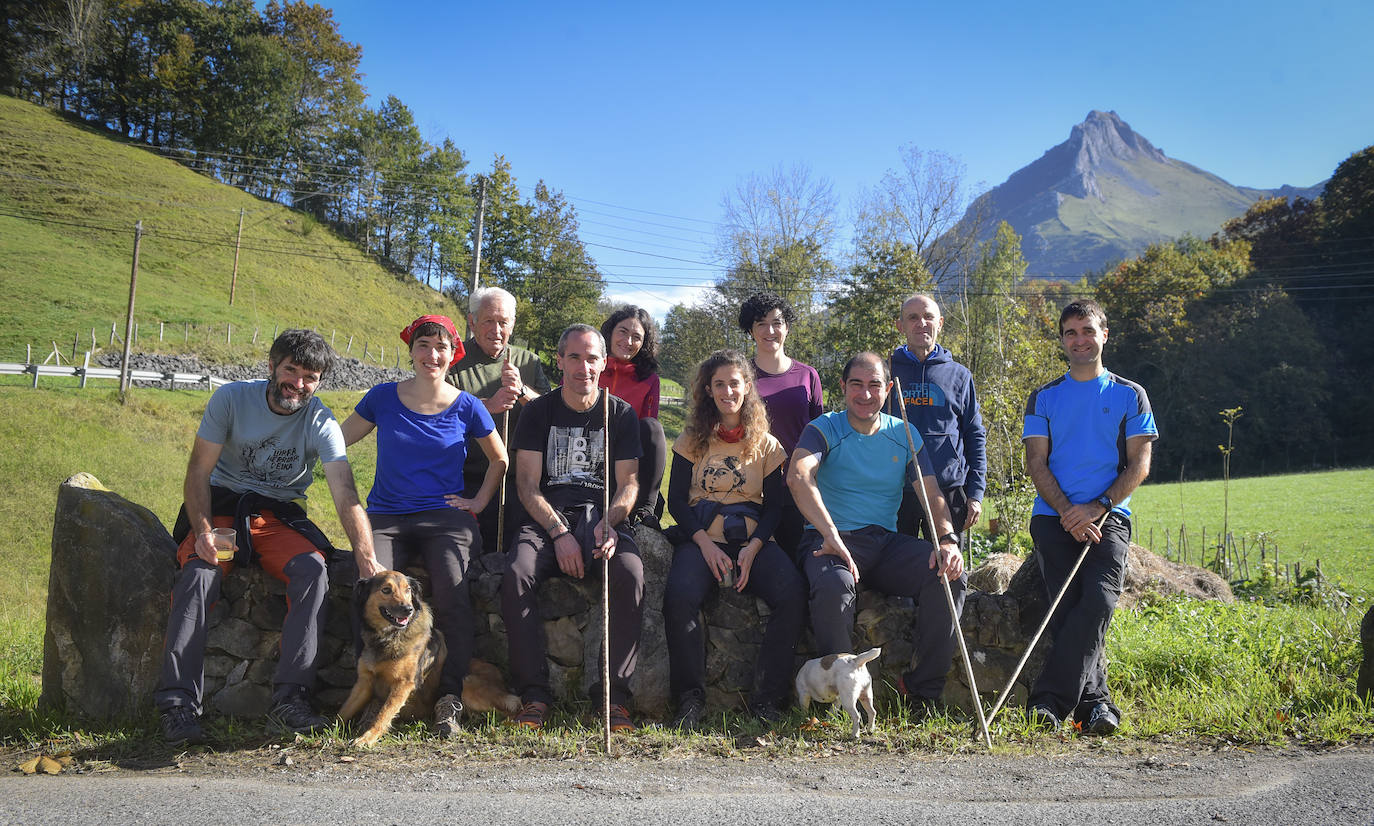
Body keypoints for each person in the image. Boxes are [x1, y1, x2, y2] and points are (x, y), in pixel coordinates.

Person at [154, 330, 383, 745]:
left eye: (310, 376)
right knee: (201, 575)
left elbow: (345, 493)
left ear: (319, 382)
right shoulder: (231, 399)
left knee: (313, 571)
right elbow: (197, 473)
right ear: (272, 366)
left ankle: (291, 698)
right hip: (223, 515)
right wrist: (203, 532)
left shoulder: (322, 421)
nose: (298, 383)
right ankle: (178, 705)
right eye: (290, 370)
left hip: (276, 519)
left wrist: (367, 558)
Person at [339, 315, 508, 738]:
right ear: (411, 351)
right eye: (424, 346)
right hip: (387, 514)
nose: (432, 355)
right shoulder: (381, 398)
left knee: (452, 588)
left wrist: (478, 501)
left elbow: (499, 460)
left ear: (454, 355)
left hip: (446, 517)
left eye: (441, 348)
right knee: (366, 581)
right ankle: (368, 685)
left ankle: (448, 697)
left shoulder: (467, 405)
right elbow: (336, 442)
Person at [787, 352, 966, 712]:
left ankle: (920, 692)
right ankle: (834, 702)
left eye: (874, 386)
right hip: (828, 540)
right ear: (843, 386)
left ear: (888, 389)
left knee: (949, 576)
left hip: (884, 544)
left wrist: (947, 540)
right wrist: (830, 533)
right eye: (857, 384)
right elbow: (798, 475)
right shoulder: (825, 428)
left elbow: (931, 493)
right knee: (834, 588)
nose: (865, 394)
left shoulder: (904, 433)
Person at [500, 324, 645, 731]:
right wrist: (560, 533)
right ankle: (533, 696)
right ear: (560, 361)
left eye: (592, 358)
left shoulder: (619, 413)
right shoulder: (538, 412)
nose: (584, 367)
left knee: (631, 573)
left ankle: (613, 699)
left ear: (604, 363)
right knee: (516, 574)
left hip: (601, 515)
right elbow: (526, 485)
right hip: (548, 515)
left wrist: (612, 523)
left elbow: (629, 483)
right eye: (575, 358)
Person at [1022, 299, 1156, 735]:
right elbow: (1036, 463)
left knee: (1098, 601)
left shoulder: (1129, 393)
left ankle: (1047, 701)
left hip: (1108, 517)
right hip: (1053, 517)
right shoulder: (1043, 396)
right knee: (1065, 609)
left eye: (1087, 331)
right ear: (1062, 340)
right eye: (1070, 333)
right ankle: (1095, 706)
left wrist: (1096, 508)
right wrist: (1067, 512)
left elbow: (1139, 465)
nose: (1079, 340)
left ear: (1104, 334)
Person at [662, 350, 806, 729]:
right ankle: (689, 701)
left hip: (753, 539)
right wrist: (705, 546)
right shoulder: (692, 438)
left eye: (734, 383)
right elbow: (677, 500)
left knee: (791, 593)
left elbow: (775, 507)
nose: (728, 391)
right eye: (719, 384)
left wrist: (753, 548)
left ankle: (768, 701)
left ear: (747, 388)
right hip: (701, 537)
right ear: (708, 390)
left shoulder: (768, 444)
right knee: (680, 596)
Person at [446, 286, 551, 556]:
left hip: (519, 481)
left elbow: (551, 416)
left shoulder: (529, 361)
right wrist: (487, 406)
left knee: (519, 553)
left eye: (503, 322)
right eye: (488, 321)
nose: (496, 329)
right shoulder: (453, 360)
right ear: (472, 322)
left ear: (512, 324)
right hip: (467, 478)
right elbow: (440, 413)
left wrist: (524, 392)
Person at [887, 294, 987, 543]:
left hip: (948, 489)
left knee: (948, 571)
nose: (921, 323)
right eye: (913, 318)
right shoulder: (885, 372)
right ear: (901, 326)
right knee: (895, 573)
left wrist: (974, 493)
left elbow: (974, 434)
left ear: (940, 323)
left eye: (928, 317)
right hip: (897, 492)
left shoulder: (959, 375)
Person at [738, 292, 823, 561]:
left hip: (797, 488)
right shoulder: (739, 377)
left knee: (799, 563)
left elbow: (818, 434)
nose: (770, 330)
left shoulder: (808, 376)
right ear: (750, 330)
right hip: (751, 488)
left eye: (777, 322)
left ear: (787, 327)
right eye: (761, 323)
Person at [599, 306, 667, 529]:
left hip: (627, 454)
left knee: (652, 426)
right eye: (623, 331)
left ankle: (645, 509)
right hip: (588, 447)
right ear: (610, 332)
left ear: (644, 343)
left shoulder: (649, 380)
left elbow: (647, 433)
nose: (628, 341)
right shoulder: (589, 366)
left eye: (636, 337)